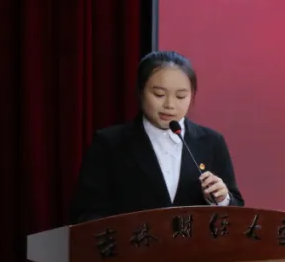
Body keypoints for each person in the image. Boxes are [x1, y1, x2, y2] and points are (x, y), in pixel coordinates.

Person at [70, 50, 244, 224]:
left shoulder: (212, 142)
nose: (170, 105)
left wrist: (222, 199)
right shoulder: (109, 143)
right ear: (140, 91)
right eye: (159, 94)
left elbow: (237, 211)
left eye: (181, 96)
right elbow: (88, 213)